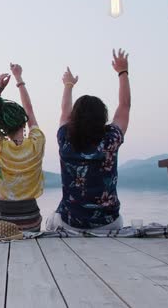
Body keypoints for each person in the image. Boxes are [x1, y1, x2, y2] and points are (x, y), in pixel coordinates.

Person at [46, 49, 131, 231]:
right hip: (108, 223)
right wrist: (122, 72)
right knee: (118, 220)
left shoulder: (65, 140)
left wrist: (68, 85)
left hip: (70, 223)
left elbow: (64, 111)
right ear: (103, 117)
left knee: (51, 220)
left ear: (74, 118)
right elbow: (125, 105)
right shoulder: (111, 141)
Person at [0, 63, 45, 232]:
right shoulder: (37, 143)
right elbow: (30, 110)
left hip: (1, 220)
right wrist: (19, 78)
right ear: (24, 122)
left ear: (3, 127)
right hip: (30, 219)